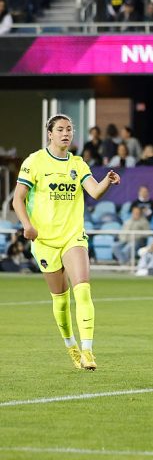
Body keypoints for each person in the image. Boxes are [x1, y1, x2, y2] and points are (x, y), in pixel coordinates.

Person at [13, 114, 120, 371]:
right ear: (50, 134)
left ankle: (88, 351)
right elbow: (17, 199)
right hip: (45, 240)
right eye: (60, 129)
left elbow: (94, 191)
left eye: (69, 129)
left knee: (82, 290)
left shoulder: (78, 164)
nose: (66, 133)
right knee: (60, 299)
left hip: (73, 236)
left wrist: (107, 181)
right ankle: (71, 345)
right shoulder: (34, 162)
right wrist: (27, 225)